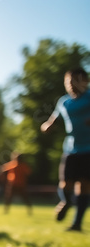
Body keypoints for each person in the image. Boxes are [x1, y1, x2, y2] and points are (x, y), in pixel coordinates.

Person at [41, 67, 90, 232]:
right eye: (68, 82)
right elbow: (52, 120)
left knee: (83, 185)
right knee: (65, 183)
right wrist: (47, 126)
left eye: (76, 80)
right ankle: (66, 201)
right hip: (71, 148)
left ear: (85, 81)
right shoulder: (64, 102)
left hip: (88, 149)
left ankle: (76, 223)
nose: (71, 85)